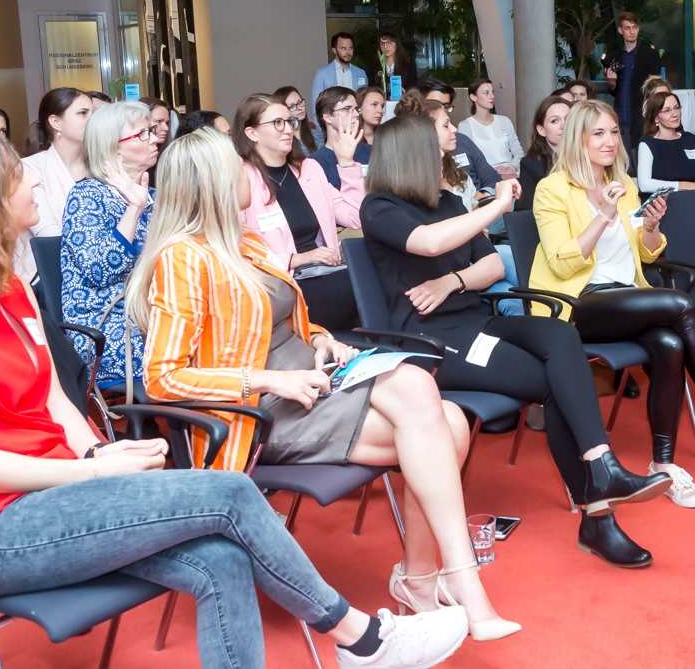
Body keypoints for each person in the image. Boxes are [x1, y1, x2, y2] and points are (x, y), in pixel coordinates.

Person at [0, 129, 472, 669]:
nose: (33, 178)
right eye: (15, 175)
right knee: (231, 495)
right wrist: (91, 475)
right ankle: (362, 639)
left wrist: (96, 453)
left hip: (58, 494)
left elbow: (55, 402)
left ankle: (367, 639)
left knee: (222, 559)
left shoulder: (12, 286)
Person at [127, 128, 513, 647]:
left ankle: (431, 579)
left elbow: (285, 323)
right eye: (237, 166)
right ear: (212, 181)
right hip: (258, 411)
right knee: (438, 416)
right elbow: (163, 377)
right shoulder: (183, 258)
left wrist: (325, 340)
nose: (251, 172)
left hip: (310, 381)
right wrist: (269, 378)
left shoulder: (243, 241)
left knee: (442, 412)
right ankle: (449, 581)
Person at [361, 115, 671, 567]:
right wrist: (495, 207)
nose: (447, 146)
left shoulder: (448, 201)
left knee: (561, 334)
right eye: (438, 140)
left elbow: (491, 269)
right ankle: (598, 515)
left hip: (474, 319)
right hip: (430, 340)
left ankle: (601, 465)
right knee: (554, 381)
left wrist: (451, 282)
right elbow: (427, 243)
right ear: (412, 153)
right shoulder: (380, 208)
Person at [529, 100, 695, 510]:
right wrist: (602, 215)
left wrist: (650, 228)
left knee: (669, 345)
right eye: (598, 133)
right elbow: (561, 263)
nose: (610, 141)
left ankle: (662, 465)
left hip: (627, 295)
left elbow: (646, 257)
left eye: (613, 131)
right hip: (577, 303)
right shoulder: (553, 189)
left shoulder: (625, 184)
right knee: (682, 305)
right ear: (577, 139)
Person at [234, 94, 364, 331]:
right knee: (357, 293)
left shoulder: (308, 169)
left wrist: (346, 163)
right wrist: (299, 258)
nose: (287, 130)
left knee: (370, 286)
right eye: (277, 123)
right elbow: (237, 250)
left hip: (326, 273)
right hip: (282, 283)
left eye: (289, 122)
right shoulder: (242, 179)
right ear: (252, 133)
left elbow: (355, 217)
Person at [60, 101, 159, 390]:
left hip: (152, 314)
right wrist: (134, 208)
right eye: (142, 134)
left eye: (151, 130)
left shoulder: (154, 194)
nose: (154, 138)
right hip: (107, 325)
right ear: (113, 147)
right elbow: (100, 269)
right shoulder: (87, 195)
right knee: (183, 352)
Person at [16, 87, 93, 280]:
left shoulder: (101, 167)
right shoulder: (31, 168)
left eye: (94, 113)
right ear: (56, 122)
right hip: (48, 279)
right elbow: (49, 236)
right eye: (83, 113)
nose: (93, 119)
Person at [418, 82, 501, 192]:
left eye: (446, 106)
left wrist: (484, 196)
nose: (442, 111)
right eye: (435, 105)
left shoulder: (461, 140)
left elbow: (492, 178)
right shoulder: (416, 160)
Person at [636, 90, 695, 193]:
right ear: (656, 118)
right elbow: (644, 185)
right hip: (666, 202)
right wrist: (682, 185)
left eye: (676, 107)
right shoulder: (648, 144)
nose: (674, 114)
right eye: (667, 110)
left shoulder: (688, 139)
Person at [603, 12, 662, 147]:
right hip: (620, 115)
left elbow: (655, 85)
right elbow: (614, 90)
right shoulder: (614, 56)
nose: (631, 31)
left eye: (634, 27)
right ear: (620, 30)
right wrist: (612, 84)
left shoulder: (650, 54)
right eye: (627, 28)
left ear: (638, 29)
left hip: (641, 116)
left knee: (639, 158)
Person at [457, 79, 524, 179]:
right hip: (485, 178)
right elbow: (466, 162)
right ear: (473, 97)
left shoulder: (504, 121)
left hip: (512, 174)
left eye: (493, 92)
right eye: (486, 93)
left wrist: (512, 167)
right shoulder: (465, 126)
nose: (492, 96)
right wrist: (492, 172)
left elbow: (519, 153)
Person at [311, 32, 370, 143]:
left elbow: (364, 103)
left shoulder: (361, 73)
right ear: (334, 50)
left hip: (356, 130)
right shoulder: (322, 74)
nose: (348, 52)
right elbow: (316, 108)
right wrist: (324, 134)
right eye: (343, 48)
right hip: (331, 133)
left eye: (350, 48)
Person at [311, 86, 373, 189]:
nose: (356, 114)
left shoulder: (371, 151)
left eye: (356, 109)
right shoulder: (315, 162)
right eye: (347, 109)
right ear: (328, 117)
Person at [517, 95, 571, 211]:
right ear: (541, 130)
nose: (563, 125)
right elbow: (526, 211)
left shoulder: (589, 156)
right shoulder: (531, 164)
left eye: (568, 119)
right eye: (554, 121)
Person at [371, 30, 418, 99]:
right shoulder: (375, 66)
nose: (386, 47)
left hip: (402, 103)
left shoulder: (407, 65)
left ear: (397, 44)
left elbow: (414, 87)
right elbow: (372, 87)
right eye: (382, 44)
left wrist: (406, 92)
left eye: (389, 43)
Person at [275, 85, 319, 153]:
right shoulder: (281, 141)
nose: (299, 108)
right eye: (292, 106)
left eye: (300, 102)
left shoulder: (316, 133)